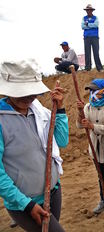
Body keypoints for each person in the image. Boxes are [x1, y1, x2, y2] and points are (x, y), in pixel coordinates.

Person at [0, 60, 69, 232]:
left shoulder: (38, 112)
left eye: (32, 93)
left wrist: (59, 110)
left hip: (53, 191)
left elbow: (61, 140)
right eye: (22, 93)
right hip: (25, 203)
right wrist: (27, 204)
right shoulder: (2, 120)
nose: (28, 98)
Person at [76, 79, 104, 214]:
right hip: (96, 149)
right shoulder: (88, 106)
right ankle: (103, 200)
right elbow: (79, 125)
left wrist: (93, 127)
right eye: (91, 90)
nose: (93, 93)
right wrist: (79, 114)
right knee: (101, 176)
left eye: (96, 90)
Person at [81, 4, 103, 71]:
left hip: (95, 37)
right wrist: (91, 25)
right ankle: (88, 67)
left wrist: (87, 24)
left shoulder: (95, 18)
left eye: (90, 10)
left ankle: (99, 67)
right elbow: (83, 26)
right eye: (87, 10)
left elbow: (96, 25)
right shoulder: (84, 18)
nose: (88, 11)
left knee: (96, 52)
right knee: (87, 52)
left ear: (92, 10)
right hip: (86, 37)